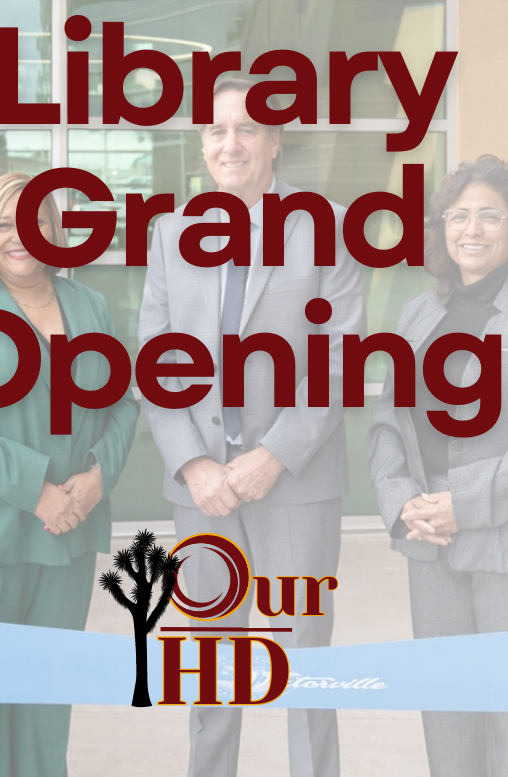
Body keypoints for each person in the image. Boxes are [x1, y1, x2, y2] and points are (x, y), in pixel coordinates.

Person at [140, 76, 365, 777]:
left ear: (274, 142)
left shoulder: (325, 225)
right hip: (201, 491)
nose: (229, 143)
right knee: (209, 667)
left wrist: (272, 454)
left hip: (295, 481)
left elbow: (338, 361)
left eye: (245, 130)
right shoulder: (171, 233)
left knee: (304, 663)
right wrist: (193, 463)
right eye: (215, 131)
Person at [368, 155, 508, 777]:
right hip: (431, 540)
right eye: (458, 215)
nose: (473, 228)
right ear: (441, 228)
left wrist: (462, 503)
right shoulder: (416, 317)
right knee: (448, 712)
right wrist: (402, 499)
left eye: (490, 215)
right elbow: (388, 420)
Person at [0, 171, 138, 777]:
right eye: (3, 223)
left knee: (46, 697)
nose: (21, 235)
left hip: (68, 531)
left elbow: (121, 402)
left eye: (36, 220)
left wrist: (98, 478)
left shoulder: (89, 306)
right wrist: (39, 493)